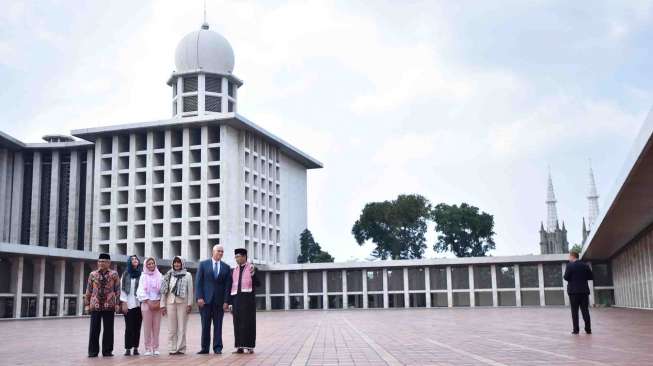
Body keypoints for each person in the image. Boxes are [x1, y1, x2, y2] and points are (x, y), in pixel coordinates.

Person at [195, 244, 232, 354]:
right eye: (218, 251)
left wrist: (226, 301)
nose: (220, 253)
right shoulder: (203, 264)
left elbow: (227, 286)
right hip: (205, 301)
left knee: (218, 326)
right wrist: (199, 297)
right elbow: (198, 283)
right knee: (205, 326)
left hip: (219, 302)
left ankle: (218, 348)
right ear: (213, 251)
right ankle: (205, 348)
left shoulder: (226, 267)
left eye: (222, 251)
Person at [85, 253, 121, 358]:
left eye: (104, 261)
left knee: (109, 330)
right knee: (94, 329)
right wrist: (87, 304)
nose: (101, 263)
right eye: (99, 261)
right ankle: (92, 351)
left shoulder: (114, 274)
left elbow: (118, 290)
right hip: (95, 305)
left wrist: (117, 304)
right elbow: (88, 290)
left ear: (109, 263)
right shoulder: (92, 274)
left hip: (109, 305)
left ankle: (107, 351)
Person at [160, 256, 194, 355]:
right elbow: (164, 291)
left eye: (179, 262)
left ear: (182, 263)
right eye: (175, 262)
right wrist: (162, 305)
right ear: (172, 264)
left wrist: (189, 304)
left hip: (183, 303)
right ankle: (172, 348)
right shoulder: (168, 274)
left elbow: (190, 291)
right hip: (170, 303)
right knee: (171, 328)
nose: (177, 264)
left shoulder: (188, 275)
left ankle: (181, 348)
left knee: (182, 327)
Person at [229, 248, 260, 354]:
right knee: (237, 323)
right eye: (235, 257)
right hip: (236, 301)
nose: (236, 259)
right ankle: (239, 346)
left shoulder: (252, 268)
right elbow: (231, 287)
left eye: (238, 256)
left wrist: (253, 274)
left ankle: (250, 346)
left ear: (244, 257)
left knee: (248, 323)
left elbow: (258, 283)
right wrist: (230, 303)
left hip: (248, 301)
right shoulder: (234, 270)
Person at [137, 257, 163, 355]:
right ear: (145, 265)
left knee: (156, 327)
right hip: (146, 304)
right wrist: (148, 301)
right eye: (149, 264)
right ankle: (147, 348)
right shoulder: (143, 276)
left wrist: (158, 302)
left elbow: (163, 290)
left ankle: (156, 348)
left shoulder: (160, 276)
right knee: (147, 327)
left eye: (152, 263)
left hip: (157, 304)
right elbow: (140, 291)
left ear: (155, 264)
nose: (151, 265)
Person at [564, 250, 594, 335]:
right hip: (584, 291)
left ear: (573, 256)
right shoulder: (585, 265)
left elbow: (566, 277)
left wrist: (573, 279)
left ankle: (576, 330)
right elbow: (591, 276)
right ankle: (588, 329)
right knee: (585, 310)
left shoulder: (570, 265)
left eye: (569, 256)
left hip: (573, 292)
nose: (569, 258)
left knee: (574, 311)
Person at [120, 255, 142, 356]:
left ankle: (136, 348)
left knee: (137, 327)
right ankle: (128, 348)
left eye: (136, 259)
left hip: (139, 305)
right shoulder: (125, 274)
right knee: (129, 327)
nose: (134, 260)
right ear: (129, 262)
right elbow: (122, 288)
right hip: (128, 304)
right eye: (132, 259)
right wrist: (124, 302)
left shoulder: (141, 274)